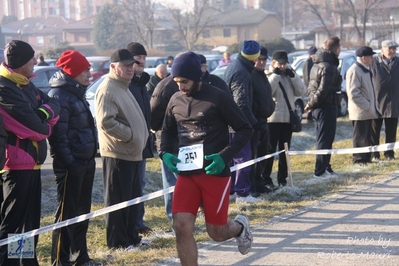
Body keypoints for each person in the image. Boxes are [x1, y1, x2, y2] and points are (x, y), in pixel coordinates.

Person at [159, 51, 254, 265]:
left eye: (185, 81)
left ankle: (239, 226)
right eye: (176, 82)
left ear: (197, 77)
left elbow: (245, 129)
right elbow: (166, 132)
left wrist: (223, 157)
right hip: (187, 173)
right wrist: (165, 153)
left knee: (217, 233)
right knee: (181, 227)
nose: (181, 86)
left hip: (214, 173)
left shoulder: (218, 97)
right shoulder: (175, 100)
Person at [0, 40, 60, 265]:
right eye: (32, 58)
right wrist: (43, 118)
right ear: (21, 62)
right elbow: (35, 129)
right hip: (14, 166)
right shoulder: (4, 88)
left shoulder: (26, 84)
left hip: (33, 163)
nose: (36, 62)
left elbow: (54, 105)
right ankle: (8, 263)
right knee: (12, 223)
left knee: (29, 222)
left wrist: (41, 114)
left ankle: (26, 261)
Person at [47, 50, 100, 266]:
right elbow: (58, 138)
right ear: (73, 71)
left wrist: (87, 161)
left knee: (82, 213)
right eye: (86, 69)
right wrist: (72, 163)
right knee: (66, 214)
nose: (90, 73)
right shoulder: (59, 96)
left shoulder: (76, 92)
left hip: (85, 163)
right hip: (71, 166)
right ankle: (61, 260)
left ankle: (81, 257)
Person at [95, 48, 149, 250]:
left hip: (132, 153)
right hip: (118, 154)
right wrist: (132, 136)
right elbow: (106, 122)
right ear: (113, 67)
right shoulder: (108, 88)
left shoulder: (124, 86)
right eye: (125, 65)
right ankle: (118, 243)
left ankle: (131, 238)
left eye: (131, 65)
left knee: (132, 200)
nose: (130, 68)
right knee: (119, 201)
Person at [224, 40, 260, 203]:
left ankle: (231, 190)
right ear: (255, 57)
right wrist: (251, 123)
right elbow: (241, 103)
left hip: (229, 123)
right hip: (238, 124)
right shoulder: (242, 72)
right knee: (243, 158)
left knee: (231, 159)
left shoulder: (234, 66)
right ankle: (242, 193)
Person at [265, 50, 306, 187]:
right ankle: (266, 179)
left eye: (284, 64)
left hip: (287, 118)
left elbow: (301, 91)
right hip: (272, 119)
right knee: (270, 150)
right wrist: (275, 75)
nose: (282, 66)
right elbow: (268, 91)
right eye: (280, 64)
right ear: (273, 63)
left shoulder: (289, 75)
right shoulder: (268, 75)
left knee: (285, 150)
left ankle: (282, 179)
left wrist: (293, 76)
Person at [126, 42, 153, 235]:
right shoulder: (127, 84)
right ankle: (131, 225)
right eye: (137, 59)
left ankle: (138, 223)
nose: (141, 61)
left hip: (142, 142)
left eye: (143, 58)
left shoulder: (142, 83)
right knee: (132, 186)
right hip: (130, 144)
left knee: (140, 184)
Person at [305, 36, 342, 178]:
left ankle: (326, 166)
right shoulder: (329, 66)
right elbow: (323, 89)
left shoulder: (317, 63)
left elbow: (311, 85)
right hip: (325, 106)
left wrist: (311, 103)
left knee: (324, 138)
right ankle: (320, 171)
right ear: (336, 49)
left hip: (321, 106)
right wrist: (312, 103)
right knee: (324, 139)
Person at [150, 75, 179, 222]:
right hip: (169, 141)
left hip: (184, 140)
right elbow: (154, 114)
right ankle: (173, 216)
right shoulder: (165, 88)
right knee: (171, 181)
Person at [249, 46, 276, 196]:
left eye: (264, 59)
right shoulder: (251, 75)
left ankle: (260, 182)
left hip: (265, 120)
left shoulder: (262, 75)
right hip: (255, 121)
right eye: (260, 59)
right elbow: (250, 99)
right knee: (254, 155)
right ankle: (252, 185)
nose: (262, 62)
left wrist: (271, 106)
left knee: (263, 153)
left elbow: (267, 94)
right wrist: (259, 109)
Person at [346, 46, 379, 165]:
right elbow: (353, 93)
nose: (372, 59)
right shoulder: (354, 70)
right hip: (360, 111)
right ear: (364, 58)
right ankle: (358, 160)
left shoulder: (365, 69)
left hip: (367, 111)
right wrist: (367, 105)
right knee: (360, 137)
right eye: (371, 57)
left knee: (366, 136)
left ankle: (366, 158)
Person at [370, 40, 399, 160]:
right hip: (377, 100)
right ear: (382, 50)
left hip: (394, 101)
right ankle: (374, 154)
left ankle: (389, 153)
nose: (392, 51)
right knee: (374, 130)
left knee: (391, 130)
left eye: (394, 49)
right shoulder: (374, 62)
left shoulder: (398, 62)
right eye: (389, 48)